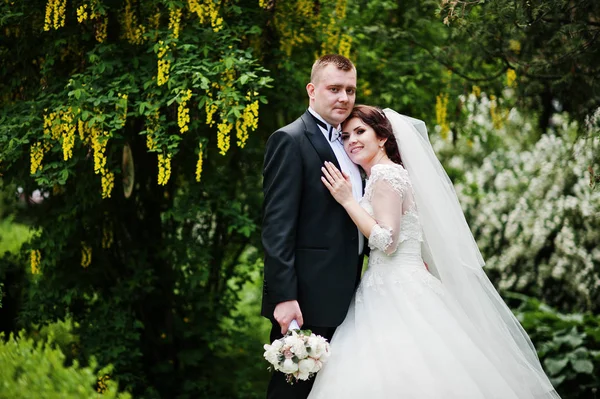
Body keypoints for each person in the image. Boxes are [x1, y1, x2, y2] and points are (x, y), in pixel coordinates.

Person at [308, 105, 561, 398]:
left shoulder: (384, 176)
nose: (351, 140)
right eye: (346, 135)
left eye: (361, 131)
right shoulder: (390, 174)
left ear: (382, 137)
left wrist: (347, 200)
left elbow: (387, 241)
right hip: (399, 281)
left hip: (394, 288)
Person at [261, 54, 366, 399]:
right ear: (312, 90)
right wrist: (284, 296)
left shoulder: (353, 145)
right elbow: (277, 226)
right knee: (291, 392)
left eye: (350, 90)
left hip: (355, 294)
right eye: (334, 88)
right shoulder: (289, 140)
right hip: (307, 296)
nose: (344, 98)